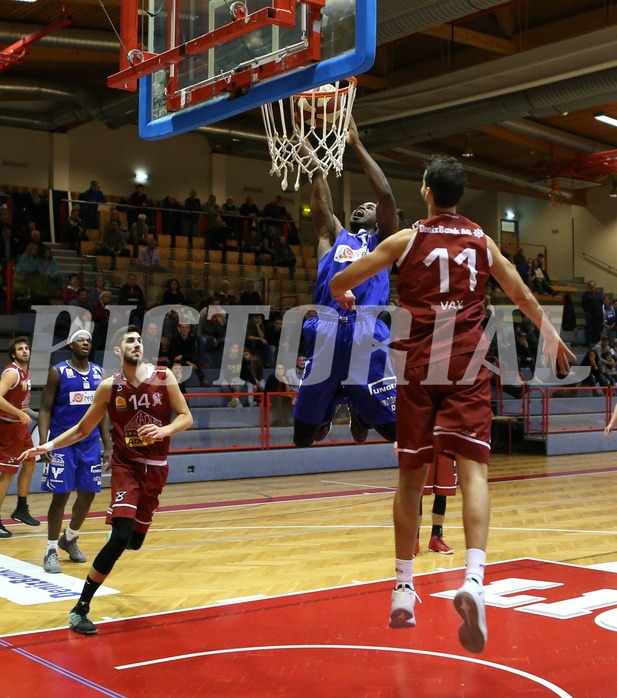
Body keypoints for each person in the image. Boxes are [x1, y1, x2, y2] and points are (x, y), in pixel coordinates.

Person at [330, 154, 573, 653]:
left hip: (418, 365)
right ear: (458, 196)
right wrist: (550, 336)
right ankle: (475, 579)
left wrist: (346, 296)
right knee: (475, 473)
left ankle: (402, 588)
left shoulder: (406, 239)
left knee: (410, 477)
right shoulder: (481, 241)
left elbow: (342, 282)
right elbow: (522, 294)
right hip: (465, 364)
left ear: (426, 192)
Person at [19, 325, 193, 634]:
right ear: (118, 351)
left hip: (156, 468)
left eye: (139, 340)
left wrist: (163, 431)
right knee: (121, 535)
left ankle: (119, 542)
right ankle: (80, 608)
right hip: (126, 467)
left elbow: (185, 417)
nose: (137, 344)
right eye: (130, 341)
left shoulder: (164, 377)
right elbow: (83, 430)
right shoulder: (109, 387)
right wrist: (46, 444)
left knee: (134, 542)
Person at [293, 118, 399, 448]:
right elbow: (320, 190)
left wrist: (356, 144)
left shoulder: (385, 242)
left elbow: (385, 196)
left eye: (369, 208)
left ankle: (361, 408)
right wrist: (309, 155)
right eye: (360, 205)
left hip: (365, 331)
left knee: (397, 432)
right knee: (302, 438)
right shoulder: (332, 237)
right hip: (326, 329)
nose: (364, 206)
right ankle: (331, 406)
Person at [38, 330, 112, 573]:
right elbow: (45, 409)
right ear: (71, 344)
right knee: (60, 495)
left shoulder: (100, 373)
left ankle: (69, 538)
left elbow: (102, 412)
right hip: (62, 442)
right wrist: (44, 441)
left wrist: (108, 444)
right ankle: (50, 550)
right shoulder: (58, 372)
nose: (86, 343)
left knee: (89, 493)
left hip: (89, 443)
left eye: (89, 340)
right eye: (81, 339)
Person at [0, 337, 39, 537]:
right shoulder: (12, 372)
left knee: (31, 463)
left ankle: (21, 508)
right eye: (20, 349)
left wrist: (31, 414)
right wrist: (20, 414)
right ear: (14, 354)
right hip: (8, 427)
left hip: (20, 428)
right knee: (8, 473)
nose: (25, 351)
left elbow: (18, 401)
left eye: (26, 348)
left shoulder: (24, 372)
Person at [582, 281, 604, 345]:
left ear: (595, 286)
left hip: (597, 315)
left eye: (594, 285)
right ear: (589, 286)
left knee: (597, 329)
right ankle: (588, 343)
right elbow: (583, 304)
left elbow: (601, 303)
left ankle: (596, 342)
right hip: (590, 314)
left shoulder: (598, 294)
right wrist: (588, 311)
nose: (592, 286)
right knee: (589, 329)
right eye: (591, 285)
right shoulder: (586, 294)